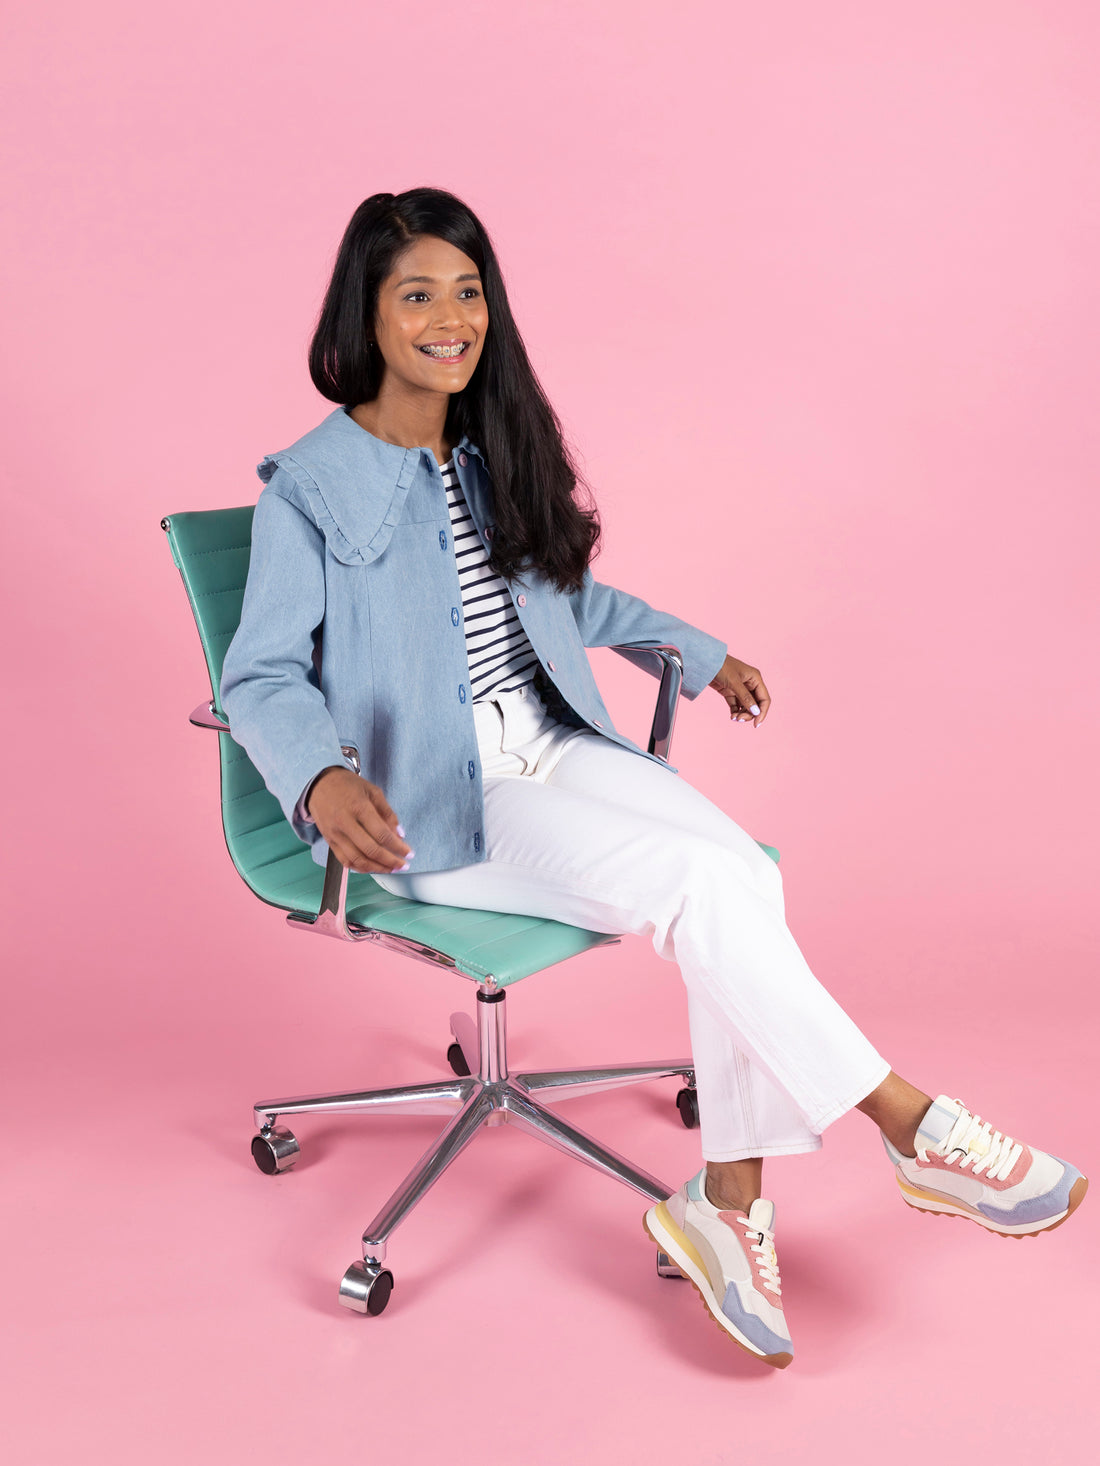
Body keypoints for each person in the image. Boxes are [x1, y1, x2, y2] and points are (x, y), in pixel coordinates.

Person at [220, 187, 1087, 1369]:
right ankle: (909, 1123)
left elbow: (567, 596)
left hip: (552, 740)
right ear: (364, 313)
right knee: (699, 881)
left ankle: (726, 1203)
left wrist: (695, 648)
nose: (448, 318)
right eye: (416, 294)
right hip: (435, 799)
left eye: (467, 292)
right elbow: (261, 672)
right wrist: (319, 777)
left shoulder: (486, 452)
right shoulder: (309, 488)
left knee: (740, 872)